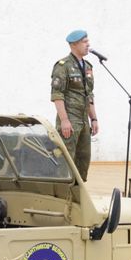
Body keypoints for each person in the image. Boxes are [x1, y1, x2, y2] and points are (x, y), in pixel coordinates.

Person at [51, 29, 99, 180]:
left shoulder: (88, 67)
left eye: (87, 41)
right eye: (84, 42)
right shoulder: (62, 66)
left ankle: (78, 194)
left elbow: (89, 94)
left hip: (84, 121)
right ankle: (63, 196)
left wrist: (94, 119)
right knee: (66, 161)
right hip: (70, 120)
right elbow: (57, 95)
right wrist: (64, 120)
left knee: (83, 160)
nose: (88, 44)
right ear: (74, 44)